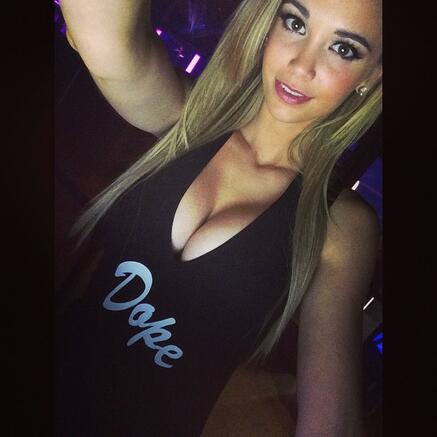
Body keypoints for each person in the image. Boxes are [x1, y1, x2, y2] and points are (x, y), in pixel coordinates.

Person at [56, 0, 382, 435]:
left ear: (371, 77)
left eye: (343, 49)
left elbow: (330, 425)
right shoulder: (189, 119)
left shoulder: (338, 227)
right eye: (295, 23)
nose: (301, 66)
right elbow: (102, 35)